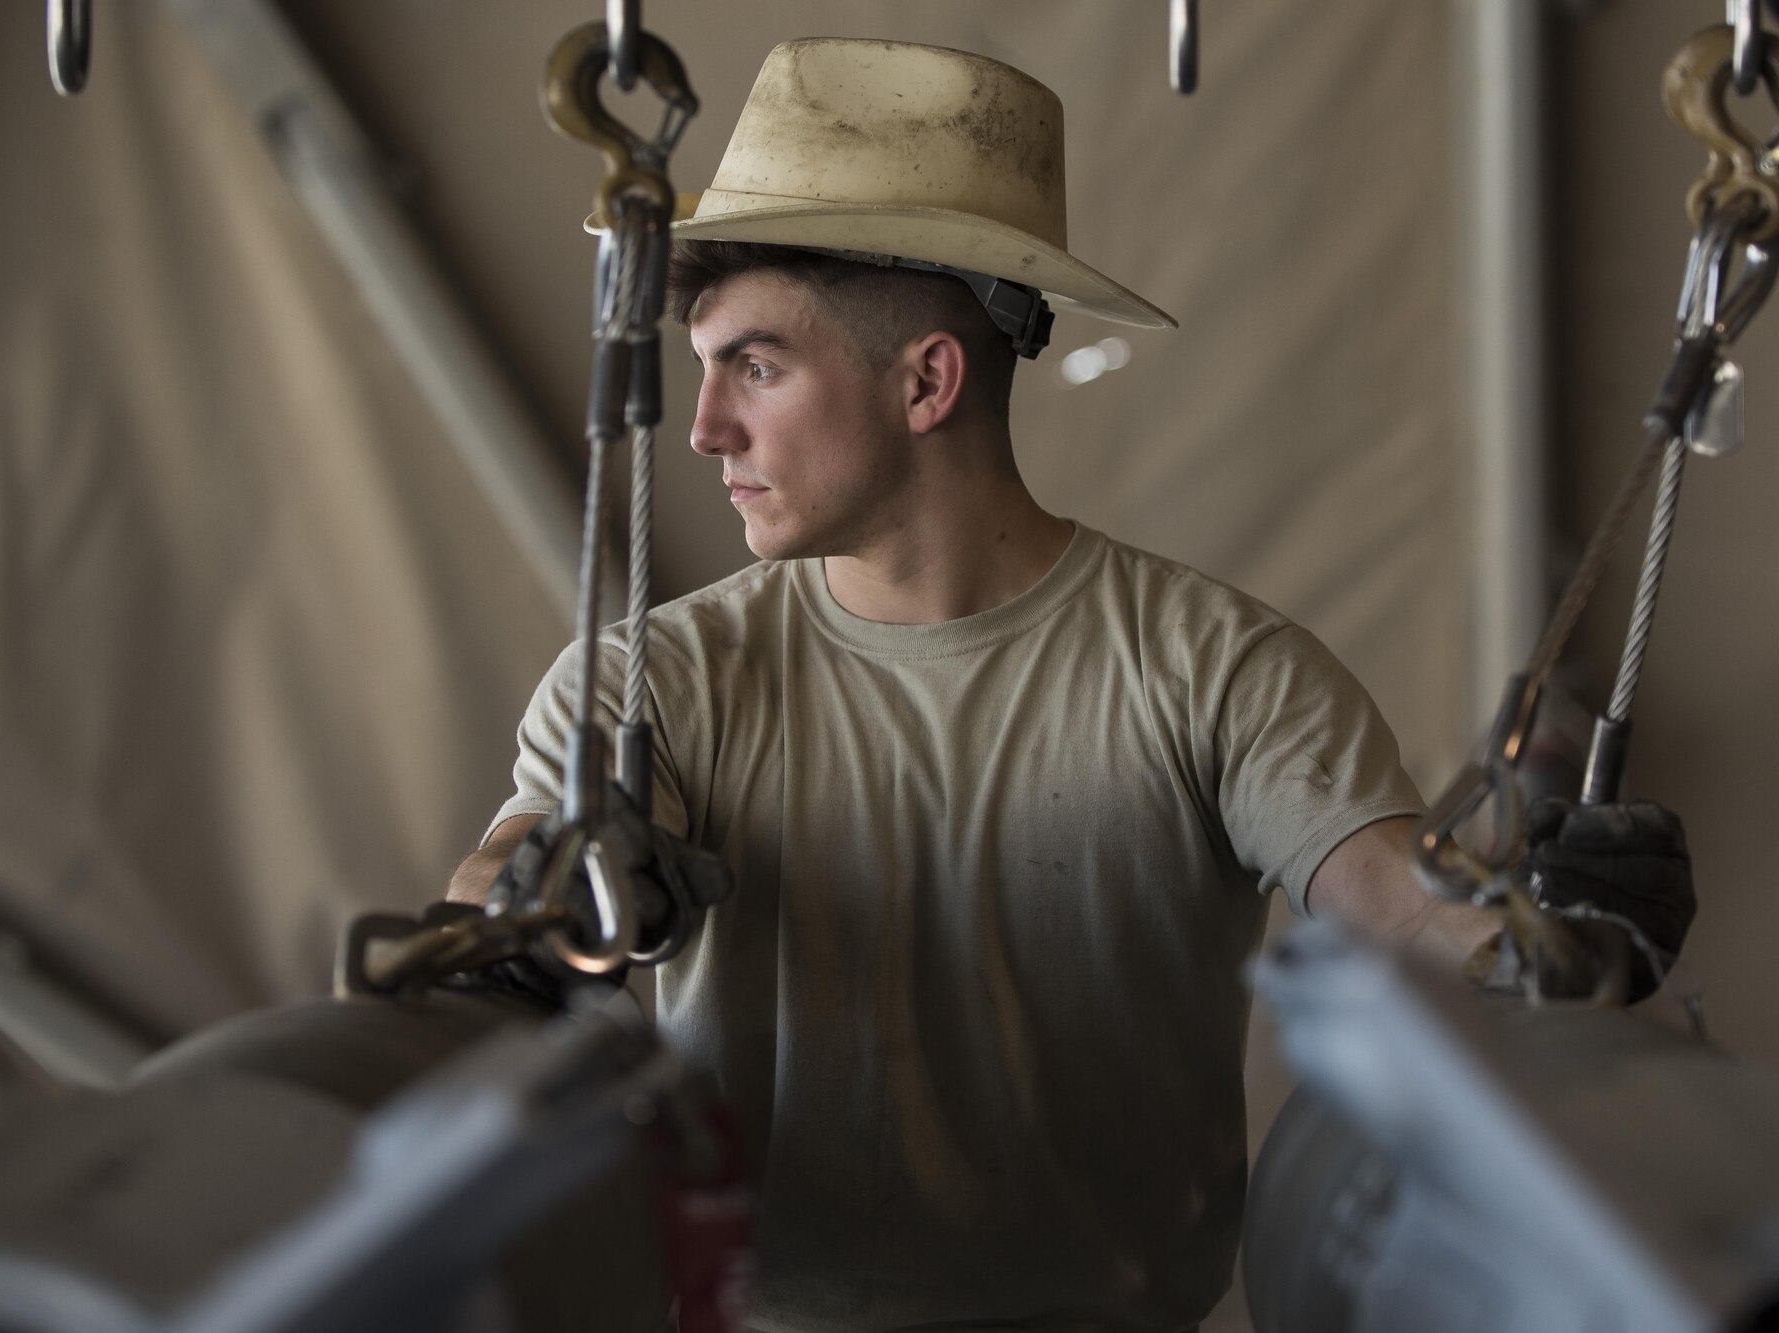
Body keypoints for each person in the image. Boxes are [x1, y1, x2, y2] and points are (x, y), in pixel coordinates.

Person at [449, 38, 1693, 1332]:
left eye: (754, 366)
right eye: (704, 368)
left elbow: (1411, 920)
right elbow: (492, 886)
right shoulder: (655, 683)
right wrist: (534, 898)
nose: (704, 425)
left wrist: (1567, 930)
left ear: (927, 379)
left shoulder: (1216, 669)